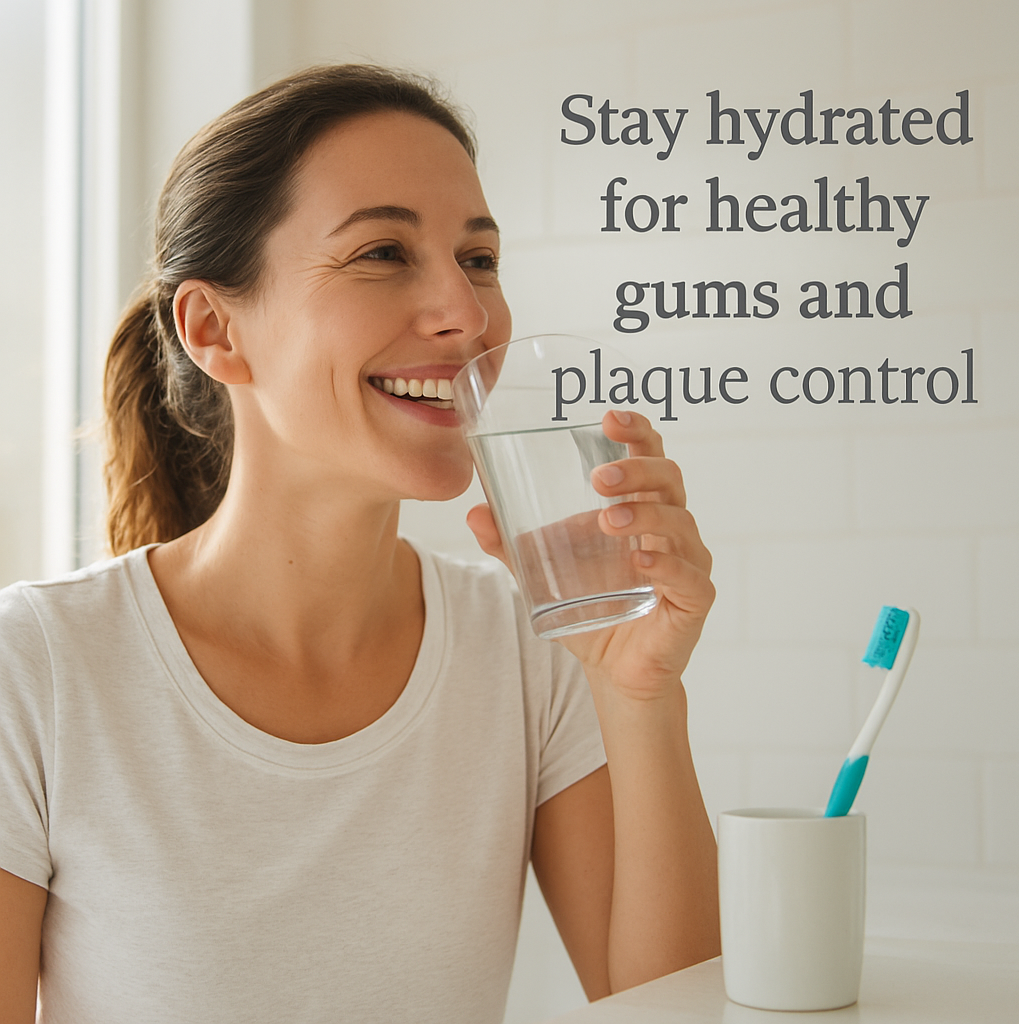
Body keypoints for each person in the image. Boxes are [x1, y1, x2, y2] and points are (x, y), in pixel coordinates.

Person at [0, 65, 719, 1023]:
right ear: (215, 329)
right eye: (382, 252)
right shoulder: (36, 669)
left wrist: (641, 695)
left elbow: (672, 1010)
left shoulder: (529, 645)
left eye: (478, 258)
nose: (467, 313)